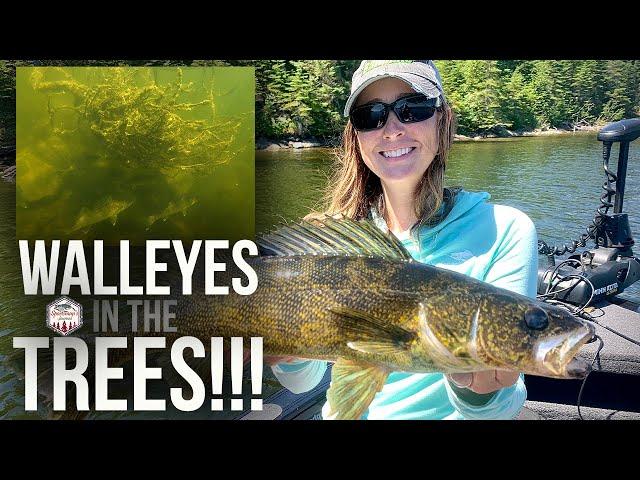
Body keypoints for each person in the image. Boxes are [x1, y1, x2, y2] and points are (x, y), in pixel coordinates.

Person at [269, 60, 538, 419]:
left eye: (413, 109)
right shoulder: (328, 241)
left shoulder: (505, 230)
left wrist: (476, 393)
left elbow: (492, 410)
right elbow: (304, 382)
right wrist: (280, 351)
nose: (393, 129)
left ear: (442, 120)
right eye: (371, 115)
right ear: (356, 137)